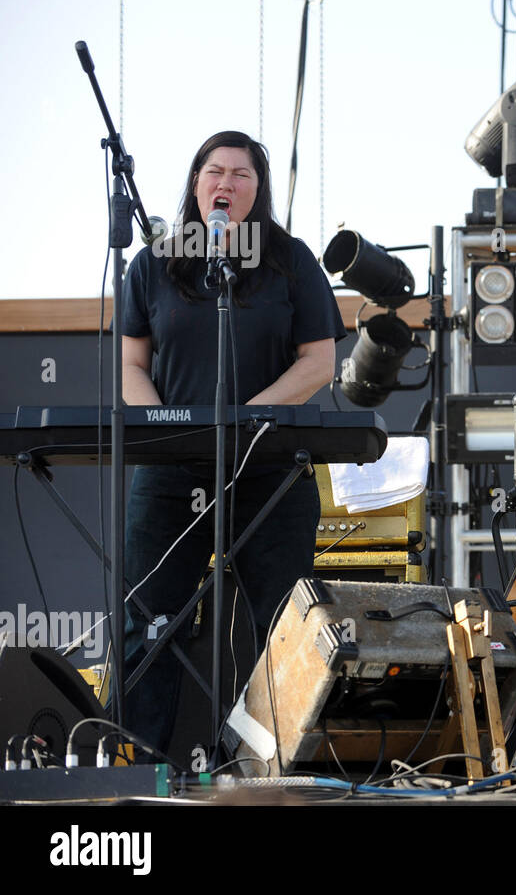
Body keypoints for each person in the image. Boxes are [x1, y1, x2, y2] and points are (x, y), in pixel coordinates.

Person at [118, 130, 345, 756]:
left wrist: (247, 417)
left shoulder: (290, 259)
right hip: (172, 469)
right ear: (195, 185)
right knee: (150, 623)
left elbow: (320, 360)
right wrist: (169, 428)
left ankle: (275, 768)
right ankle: (142, 768)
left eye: (241, 174)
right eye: (214, 171)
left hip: (268, 464)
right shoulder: (155, 262)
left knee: (283, 626)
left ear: (257, 190)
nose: (226, 183)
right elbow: (130, 365)